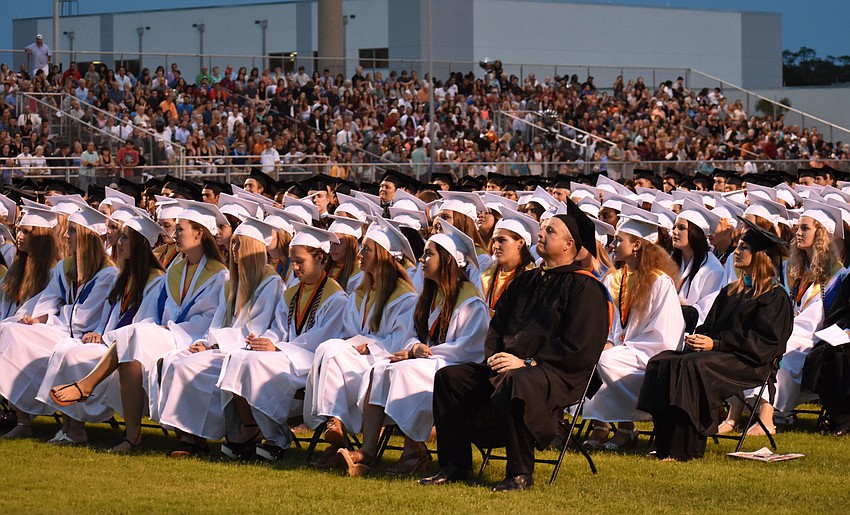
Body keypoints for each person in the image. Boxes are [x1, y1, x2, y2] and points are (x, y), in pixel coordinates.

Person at [421, 206, 610, 492]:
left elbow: (579, 346)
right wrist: (495, 357)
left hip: (555, 374)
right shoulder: (527, 279)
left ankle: (520, 472)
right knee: (450, 378)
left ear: (569, 244)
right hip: (509, 367)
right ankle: (455, 464)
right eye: (542, 228)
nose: (541, 233)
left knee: (517, 380)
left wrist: (528, 363)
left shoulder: (585, 287)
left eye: (550, 231)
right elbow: (497, 327)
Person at [336, 221, 489, 477]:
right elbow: (410, 336)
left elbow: (470, 349)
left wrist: (422, 353)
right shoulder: (429, 296)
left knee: (406, 371)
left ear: (449, 260)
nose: (422, 258)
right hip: (427, 362)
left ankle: (413, 450)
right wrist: (414, 347)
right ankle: (368, 451)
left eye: (429, 254)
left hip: (454, 368)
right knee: (380, 368)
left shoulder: (470, 301)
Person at [637, 218, 794, 461]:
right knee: (663, 362)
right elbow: (709, 326)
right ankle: (664, 442)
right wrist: (699, 338)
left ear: (760, 256)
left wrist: (717, 345)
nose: (737, 252)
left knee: (691, 366)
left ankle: (685, 449)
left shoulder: (775, 296)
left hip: (751, 363)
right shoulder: (731, 291)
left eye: (743, 248)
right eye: (738, 246)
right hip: (719, 355)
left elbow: (765, 344)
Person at [217, 224, 348, 461]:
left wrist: (277, 347)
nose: (294, 268)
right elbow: (279, 329)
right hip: (287, 355)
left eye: (300, 261)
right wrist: (265, 340)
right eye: (293, 261)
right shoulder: (292, 293)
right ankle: (251, 429)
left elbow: (317, 341)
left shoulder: (336, 298)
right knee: (238, 356)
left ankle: (277, 438)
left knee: (257, 366)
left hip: (309, 362)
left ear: (320, 258)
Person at [156, 217, 282, 457]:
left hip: (244, 349)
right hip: (223, 346)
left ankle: (196, 439)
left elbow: (256, 328)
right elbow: (217, 321)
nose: (232, 251)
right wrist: (205, 342)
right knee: (176, 360)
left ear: (254, 248)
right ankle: (189, 435)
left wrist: (214, 344)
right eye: (233, 244)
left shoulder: (271, 282)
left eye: (239, 245)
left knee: (189, 367)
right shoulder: (232, 282)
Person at [40, 214, 166, 444]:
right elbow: (111, 314)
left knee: (75, 355)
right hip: (111, 341)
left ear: (141, 245)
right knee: (68, 350)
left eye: (126, 238)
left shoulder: (156, 280)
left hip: (127, 350)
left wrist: (106, 338)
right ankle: (69, 427)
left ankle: (75, 428)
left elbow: (143, 321)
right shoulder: (126, 277)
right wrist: (99, 332)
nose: (119, 242)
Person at [303, 217, 418, 468]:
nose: (360, 255)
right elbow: (349, 330)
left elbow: (400, 339)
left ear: (384, 255)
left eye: (367, 249)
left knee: (330, 349)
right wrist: (356, 344)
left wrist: (370, 347)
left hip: (380, 361)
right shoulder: (361, 289)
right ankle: (336, 429)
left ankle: (336, 429)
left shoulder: (404, 296)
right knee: (330, 348)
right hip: (357, 358)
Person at [723, 201, 843, 433]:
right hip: (787, 330)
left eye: (805, 228)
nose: (798, 232)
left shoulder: (836, 273)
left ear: (821, 233)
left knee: (777, 354)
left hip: (812, 337)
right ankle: (734, 415)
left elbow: (821, 317)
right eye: (798, 228)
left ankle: (765, 417)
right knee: (753, 345)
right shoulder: (791, 266)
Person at [0, 205, 118, 439]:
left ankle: (59, 425)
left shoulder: (107, 274)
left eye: (72, 231)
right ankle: (23, 419)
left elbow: (83, 317)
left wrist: (56, 316)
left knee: (58, 348)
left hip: (81, 335)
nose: (65, 235)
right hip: (59, 328)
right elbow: (49, 299)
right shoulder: (66, 267)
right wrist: (37, 318)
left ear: (88, 236)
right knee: (10, 329)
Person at [582, 207, 685, 451]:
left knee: (608, 361)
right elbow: (605, 320)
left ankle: (628, 427)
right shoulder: (613, 279)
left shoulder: (660, 282)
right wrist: (607, 339)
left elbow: (666, 333)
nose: (613, 244)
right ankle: (603, 426)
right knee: (594, 354)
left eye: (619, 240)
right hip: (619, 349)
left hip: (648, 354)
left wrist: (623, 345)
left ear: (637, 245)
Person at [673, 201, 726, 331]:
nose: (674, 232)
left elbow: (706, 312)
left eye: (681, 228)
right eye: (674, 227)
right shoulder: (673, 260)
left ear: (696, 233)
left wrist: (680, 308)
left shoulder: (713, 269)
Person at [480, 208, 537, 315]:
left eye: (502, 240)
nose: (495, 246)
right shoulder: (487, 275)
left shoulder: (532, 278)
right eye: (494, 241)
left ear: (520, 243)